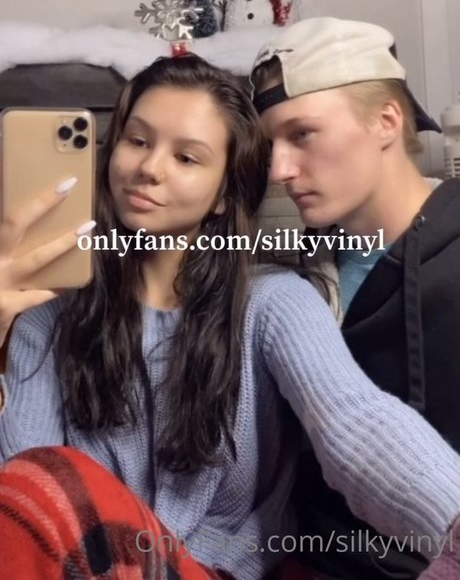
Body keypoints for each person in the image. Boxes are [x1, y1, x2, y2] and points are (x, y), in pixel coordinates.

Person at [1, 54, 460, 580]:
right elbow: (24, 500)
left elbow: (354, 421)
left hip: (218, 571)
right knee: (44, 478)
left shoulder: (273, 302)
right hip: (89, 567)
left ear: (223, 195)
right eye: (138, 140)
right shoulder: (47, 318)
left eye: (187, 157)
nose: (150, 168)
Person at [250, 16, 460, 579]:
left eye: (302, 134)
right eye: (270, 144)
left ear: (386, 120)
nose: (279, 170)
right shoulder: (290, 277)